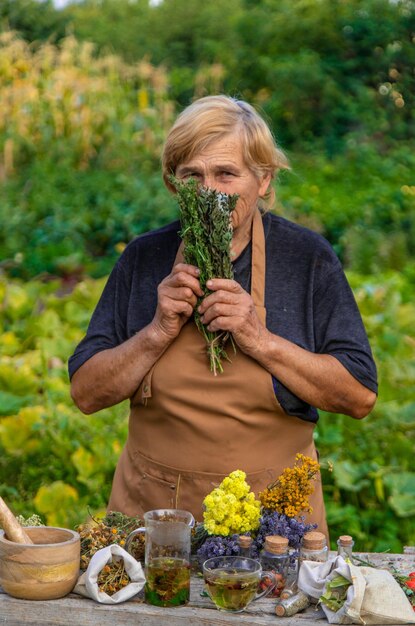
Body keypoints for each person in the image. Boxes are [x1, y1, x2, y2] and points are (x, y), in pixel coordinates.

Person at [69, 95, 377, 537]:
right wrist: (157, 332)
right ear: (174, 184)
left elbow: (359, 396)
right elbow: (85, 393)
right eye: (191, 175)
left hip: (275, 527)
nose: (209, 189)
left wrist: (259, 339)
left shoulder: (306, 259)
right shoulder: (144, 258)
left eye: (226, 173)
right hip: (154, 528)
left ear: (264, 180)